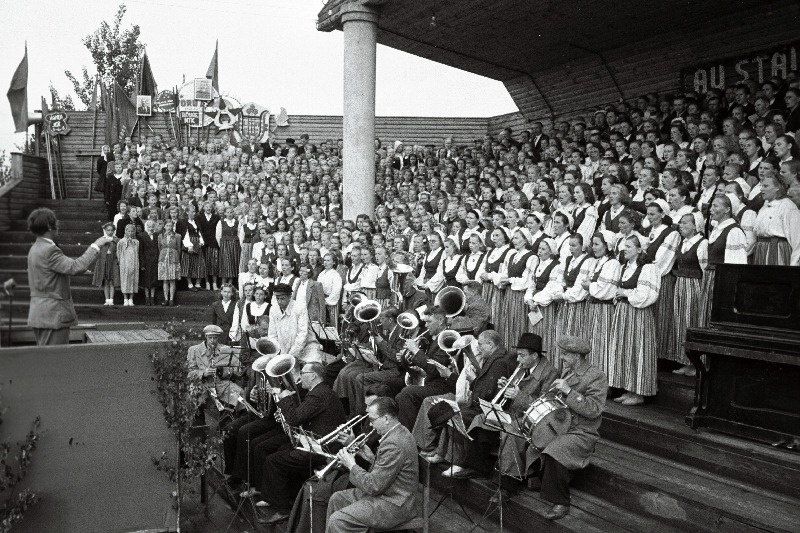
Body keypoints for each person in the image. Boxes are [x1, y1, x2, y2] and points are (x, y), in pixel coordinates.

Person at [256, 362, 347, 524]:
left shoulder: (318, 395)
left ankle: (283, 509)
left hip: (322, 449)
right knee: (281, 449)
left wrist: (284, 398)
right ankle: (287, 496)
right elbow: (303, 417)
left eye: (303, 373)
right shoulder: (322, 392)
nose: (299, 377)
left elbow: (294, 419)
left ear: (313, 376)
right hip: (317, 442)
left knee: (273, 461)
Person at [532, 335, 607, 520]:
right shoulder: (568, 372)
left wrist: (569, 392)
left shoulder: (596, 376)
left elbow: (594, 409)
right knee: (533, 440)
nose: (562, 358)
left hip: (583, 431)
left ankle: (561, 502)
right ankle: (535, 481)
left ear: (577, 356)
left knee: (555, 451)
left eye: (565, 354)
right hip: (562, 426)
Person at [325, 397, 419, 533]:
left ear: (386, 419)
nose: (371, 424)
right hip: (388, 494)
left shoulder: (394, 444)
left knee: (338, 520)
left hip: (395, 504)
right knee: (337, 499)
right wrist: (370, 457)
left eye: (373, 420)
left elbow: (373, 486)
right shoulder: (399, 432)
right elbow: (390, 471)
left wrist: (351, 465)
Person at [25, 208, 112, 345]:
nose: (57, 225)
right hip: (53, 316)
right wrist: (96, 245)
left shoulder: (35, 248)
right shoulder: (49, 250)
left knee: (46, 359)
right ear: (49, 226)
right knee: (56, 360)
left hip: (40, 313)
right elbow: (76, 267)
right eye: (55, 222)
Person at [495, 333, 559, 482]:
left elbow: (545, 407)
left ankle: (509, 480)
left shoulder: (551, 373)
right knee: (481, 419)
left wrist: (518, 395)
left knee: (509, 432)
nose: (518, 359)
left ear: (535, 355)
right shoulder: (524, 366)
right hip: (515, 414)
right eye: (518, 355)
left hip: (533, 423)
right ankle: (478, 467)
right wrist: (506, 388)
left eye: (522, 355)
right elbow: (516, 392)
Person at [608, 236, 661, 406]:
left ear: (639, 250)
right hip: (624, 313)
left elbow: (647, 295)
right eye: (624, 247)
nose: (625, 249)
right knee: (625, 349)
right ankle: (628, 389)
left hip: (638, 314)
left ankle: (639, 393)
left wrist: (626, 293)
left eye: (629, 247)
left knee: (638, 349)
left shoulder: (648, 268)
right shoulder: (626, 267)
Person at [186, 324, 245, 432]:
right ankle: (199, 429)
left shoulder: (225, 350)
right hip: (202, 384)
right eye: (210, 338)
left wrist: (223, 371)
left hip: (220, 384)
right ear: (205, 337)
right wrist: (203, 373)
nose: (213, 341)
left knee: (239, 392)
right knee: (193, 396)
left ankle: (227, 427)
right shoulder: (194, 350)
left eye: (215, 338)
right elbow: (189, 373)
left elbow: (234, 372)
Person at [267, 283, 311, 359]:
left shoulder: (300, 307)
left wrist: (292, 354)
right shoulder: (273, 309)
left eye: (282, 298)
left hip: (302, 350)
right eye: (277, 298)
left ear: (289, 296)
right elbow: (272, 334)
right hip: (281, 350)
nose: (279, 301)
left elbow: (302, 333)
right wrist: (276, 353)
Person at [92, 221, 119, 307]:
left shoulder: (117, 240)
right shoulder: (101, 240)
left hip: (112, 262)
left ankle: (111, 299)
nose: (110, 232)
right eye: (108, 230)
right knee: (105, 281)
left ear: (114, 231)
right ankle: (107, 299)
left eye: (112, 230)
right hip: (104, 262)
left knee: (112, 281)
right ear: (105, 230)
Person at [157, 219, 181, 306]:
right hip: (163, 258)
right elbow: (159, 247)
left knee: (172, 280)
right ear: (164, 226)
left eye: (170, 226)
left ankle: (171, 299)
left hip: (173, 258)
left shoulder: (177, 236)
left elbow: (178, 248)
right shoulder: (160, 236)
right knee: (165, 280)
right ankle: (166, 299)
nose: (169, 228)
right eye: (167, 226)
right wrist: (163, 254)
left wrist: (176, 258)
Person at [138, 219, 160, 306]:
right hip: (146, 260)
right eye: (149, 226)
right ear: (146, 227)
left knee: (154, 280)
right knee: (146, 281)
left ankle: (152, 298)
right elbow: (140, 251)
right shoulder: (141, 235)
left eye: (152, 227)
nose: (151, 228)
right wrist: (142, 263)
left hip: (154, 260)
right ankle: (147, 298)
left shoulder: (157, 235)